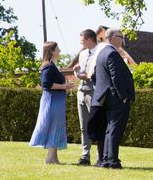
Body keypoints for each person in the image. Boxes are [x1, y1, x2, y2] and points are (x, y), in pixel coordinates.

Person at [87, 28, 135, 169]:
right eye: (121, 37)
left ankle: (107, 158)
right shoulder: (112, 53)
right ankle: (112, 160)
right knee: (115, 128)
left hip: (105, 96)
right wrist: (124, 96)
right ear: (113, 37)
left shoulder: (101, 53)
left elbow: (96, 76)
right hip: (115, 97)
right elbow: (116, 77)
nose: (122, 41)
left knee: (110, 128)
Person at [29, 41, 75, 164]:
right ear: (52, 51)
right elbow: (46, 84)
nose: (60, 51)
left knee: (57, 127)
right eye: (58, 49)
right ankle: (49, 159)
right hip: (52, 101)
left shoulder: (53, 66)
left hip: (56, 101)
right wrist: (64, 86)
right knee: (53, 127)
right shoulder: (48, 66)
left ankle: (54, 158)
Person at [73, 29, 98, 165]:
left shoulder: (99, 52)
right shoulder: (82, 54)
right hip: (81, 91)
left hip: (94, 91)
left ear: (89, 39)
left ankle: (100, 156)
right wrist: (77, 72)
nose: (80, 43)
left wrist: (88, 76)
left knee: (96, 124)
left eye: (82, 40)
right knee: (84, 126)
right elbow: (80, 71)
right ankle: (85, 156)